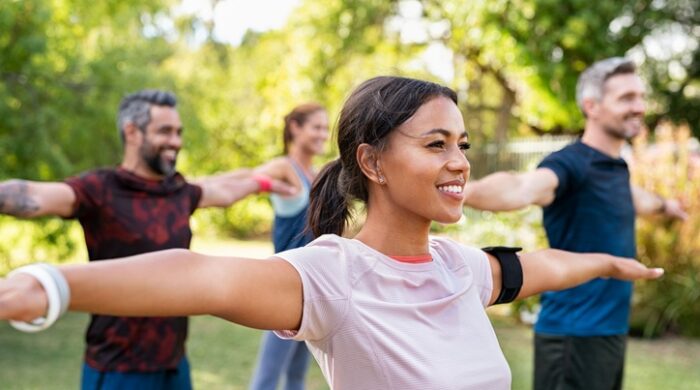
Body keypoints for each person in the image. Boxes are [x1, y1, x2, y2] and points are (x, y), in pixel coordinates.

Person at [0, 77, 664, 390]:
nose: (460, 160)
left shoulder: (460, 269)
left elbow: (538, 266)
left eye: (460, 143)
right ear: (371, 162)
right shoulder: (332, 276)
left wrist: (608, 261)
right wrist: (48, 284)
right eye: (436, 143)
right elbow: (200, 275)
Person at [0, 90, 293, 390]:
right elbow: (33, 196)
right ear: (132, 132)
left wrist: (267, 183)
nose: (176, 141)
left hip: (174, 365)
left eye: (178, 132)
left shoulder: (180, 191)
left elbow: (224, 189)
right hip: (118, 368)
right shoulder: (99, 189)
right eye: (165, 131)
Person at [462, 58, 687, 390]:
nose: (639, 106)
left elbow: (636, 198)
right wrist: (462, 191)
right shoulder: (570, 164)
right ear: (591, 106)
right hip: (572, 337)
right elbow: (522, 187)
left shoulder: (615, 168)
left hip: (608, 332)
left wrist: (669, 206)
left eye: (640, 96)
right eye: (626, 98)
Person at [248, 103, 329, 390]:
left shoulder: (317, 174)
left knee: (296, 375)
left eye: (325, 128)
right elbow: (247, 178)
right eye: (317, 127)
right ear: (295, 127)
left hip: (311, 287)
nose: (323, 134)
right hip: (282, 286)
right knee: (267, 378)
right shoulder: (284, 167)